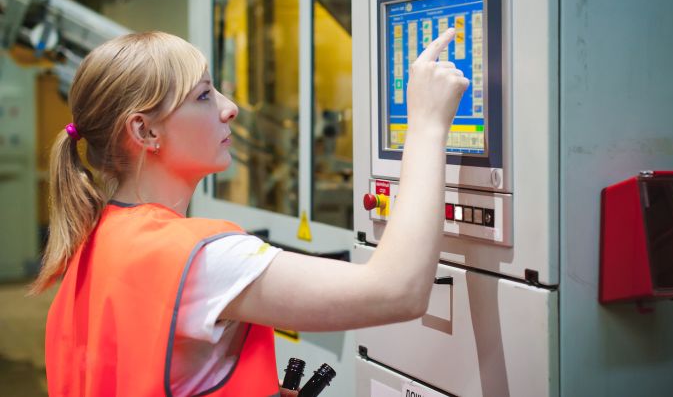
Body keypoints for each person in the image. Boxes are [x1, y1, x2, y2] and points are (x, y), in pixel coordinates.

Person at [32, 29, 468, 397]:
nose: (229, 107)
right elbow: (399, 291)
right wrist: (428, 124)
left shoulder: (95, 237)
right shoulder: (201, 259)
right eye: (204, 95)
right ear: (144, 131)